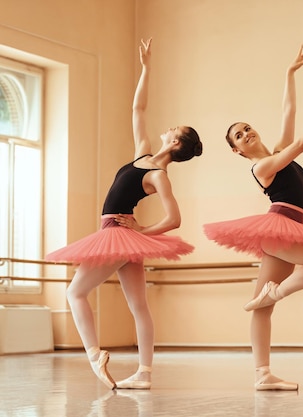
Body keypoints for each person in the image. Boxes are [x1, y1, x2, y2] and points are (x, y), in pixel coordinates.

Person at [203, 45, 303, 391]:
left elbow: (288, 112)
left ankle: (262, 375)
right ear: (237, 150)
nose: (246, 133)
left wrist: (289, 74)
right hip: (280, 227)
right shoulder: (262, 166)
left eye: (246, 128)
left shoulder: (274, 152)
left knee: (260, 306)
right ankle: (275, 294)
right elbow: (301, 145)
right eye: (239, 136)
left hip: (290, 230)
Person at [46, 38, 203, 390]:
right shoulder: (143, 155)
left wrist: (141, 232)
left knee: (75, 293)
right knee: (138, 306)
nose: (167, 128)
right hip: (121, 235)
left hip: (118, 233)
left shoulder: (158, 176)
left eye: (173, 129)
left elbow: (174, 220)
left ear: (176, 143)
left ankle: (93, 354)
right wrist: (146, 68)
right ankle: (144, 375)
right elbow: (138, 110)